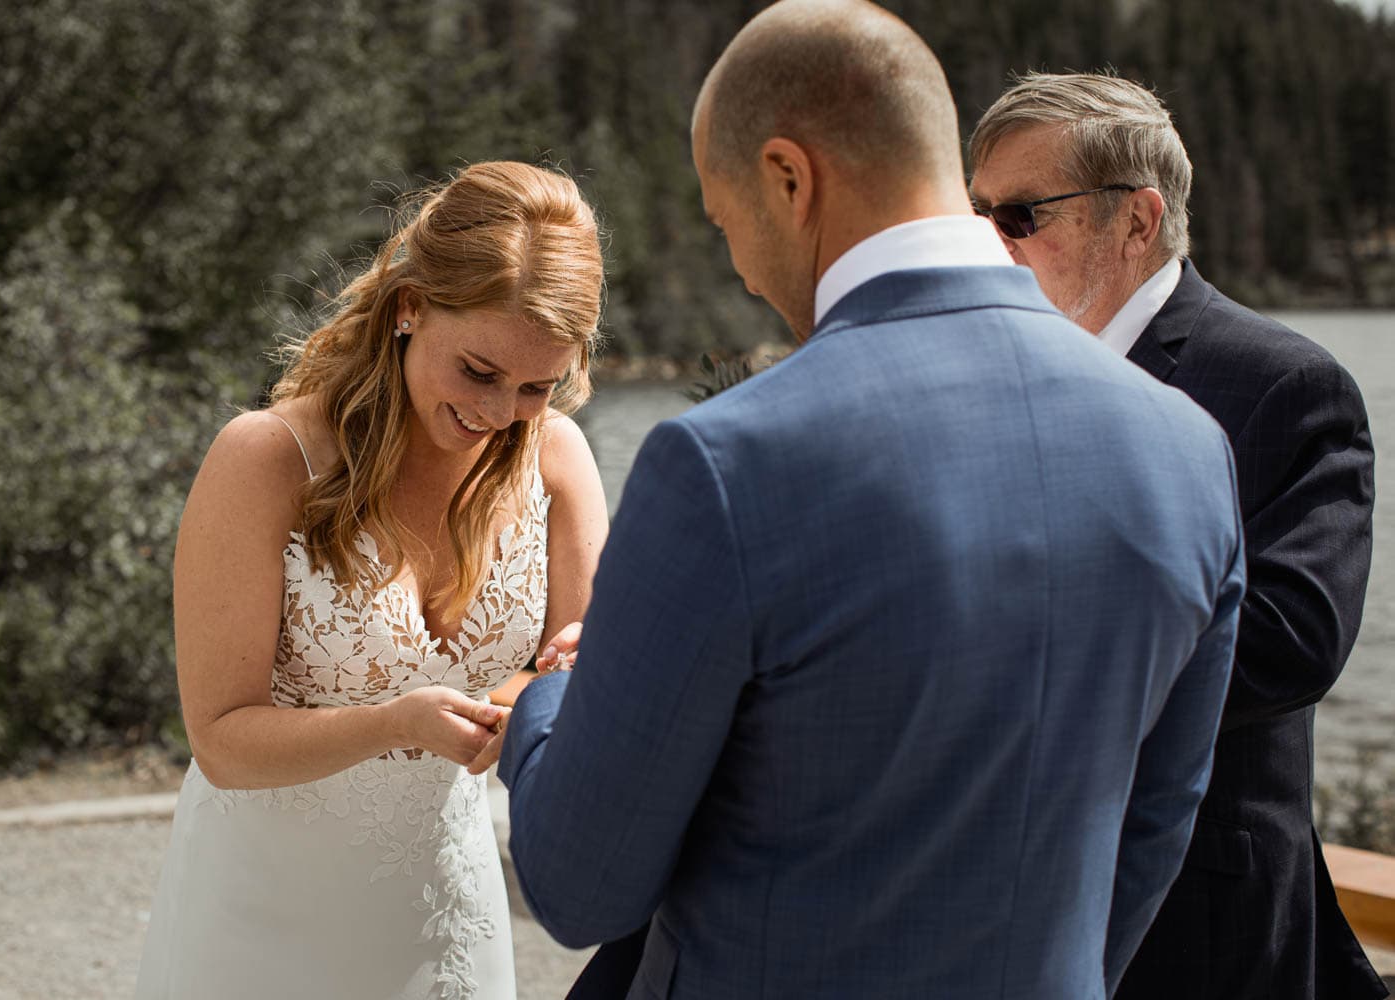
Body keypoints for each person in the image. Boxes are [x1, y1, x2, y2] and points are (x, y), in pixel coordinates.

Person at [491, 2, 1246, 996]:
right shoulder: (1189, 449)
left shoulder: (724, 462)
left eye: (726, 222)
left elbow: (581, 887)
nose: (742, 268)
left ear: (789, 178)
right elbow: (1151, 829)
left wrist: (551, 699)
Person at [134, 161, 609, 1000]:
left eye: (538, 386)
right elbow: (220, 738)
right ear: (410, 307)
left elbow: (566, 677)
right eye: (479, 372)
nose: (501, 414)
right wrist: (392, 723)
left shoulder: (559, 460)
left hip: (446, 914)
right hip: (260, 923)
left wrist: (562, 675)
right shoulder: (266, 460)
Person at [969, 72, 1384, 1000]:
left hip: (1195, 919)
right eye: (980, 214)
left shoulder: (1287, 386)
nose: (990, 243)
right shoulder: (983, 375)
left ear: (1138, 220)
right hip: (988, 898)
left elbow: (1292, 642)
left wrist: (1018, 663)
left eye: (1022, 215)